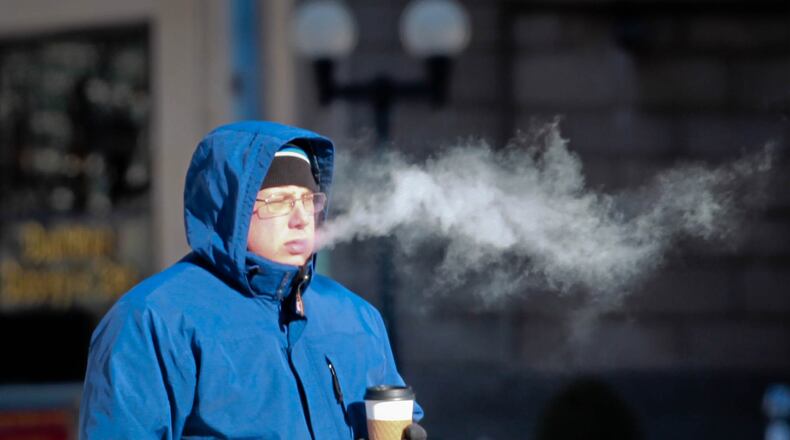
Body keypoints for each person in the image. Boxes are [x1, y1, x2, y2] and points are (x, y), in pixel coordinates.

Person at [79, 121, 424, 439]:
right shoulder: (152, 321)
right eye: (279, 202)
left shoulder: (356, 317)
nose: (301, 219)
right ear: (232, 211)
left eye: (308, 200)